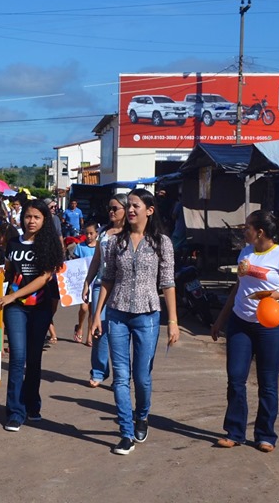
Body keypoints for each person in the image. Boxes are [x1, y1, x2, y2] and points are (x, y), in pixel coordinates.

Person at [89, 188, 178, 456]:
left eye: (135, 206)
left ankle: (142, 416)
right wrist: (97, 315)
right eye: (127, 206)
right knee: (120, 377)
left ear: (149, 210)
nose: (129, 210)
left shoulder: (162, 243)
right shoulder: (116, 242)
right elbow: (108, 279)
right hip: (116, 315)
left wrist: (173, 320)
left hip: (148, 316)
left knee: (141, 377)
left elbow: (168, 283)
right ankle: (126, 433)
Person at [210, 211, 279, 453]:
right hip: (240, 322)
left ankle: (265, 435)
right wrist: (220, 319)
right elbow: (238, 288)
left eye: (247, 228)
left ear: (260, 232)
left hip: (271, 327)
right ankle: (234, 432)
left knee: (267, 382)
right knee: (235, 378)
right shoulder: (246, 252)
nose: (244, 231)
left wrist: (274, 295)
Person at [0, 199, 64, 432]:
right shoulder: (13, 243)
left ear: (44, 220)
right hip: (15, 308)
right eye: (28, 216)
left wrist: (14, 296)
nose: (31, 221)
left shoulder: (50, 245)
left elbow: (44, 278)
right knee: (17, 358)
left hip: (40, 307)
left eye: (36, 217)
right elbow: (9, 270)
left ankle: (32, 404)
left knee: (34, 360)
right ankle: (15, 411)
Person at [81, 194, 128, 387]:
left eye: (115, 208)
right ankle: (99, 370)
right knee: (97, 328)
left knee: (119, 332)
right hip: (100, 285)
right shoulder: (103, 233)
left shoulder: (131, 233)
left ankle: (121, 376)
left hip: (122, 287)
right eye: (109, 208)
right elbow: (96, 260)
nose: (111, 212)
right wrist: (87, 281)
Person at [71, 221, 99, 344]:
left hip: (96, 281)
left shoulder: (99, 246)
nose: (88, 236)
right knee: (83, 308)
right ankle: (80, 327)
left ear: (96, 234)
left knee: (93, 310)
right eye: (86, 234)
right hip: (83, 282)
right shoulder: (80, 247)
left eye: (91, 233)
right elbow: (75, 263)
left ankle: (89, 335)